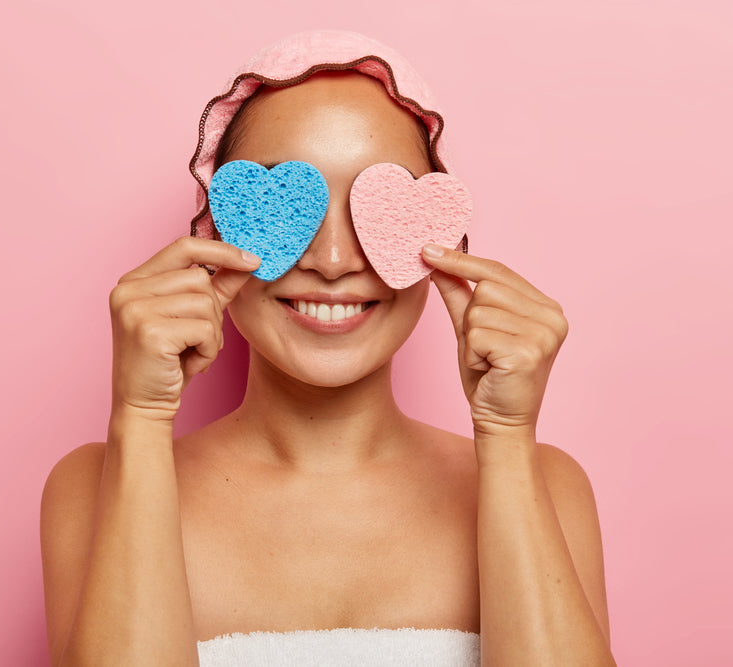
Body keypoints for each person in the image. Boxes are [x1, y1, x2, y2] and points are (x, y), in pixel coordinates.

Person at [40, 30, 615, 666]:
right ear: (213, 229)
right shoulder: (96, 487)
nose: (335, 262)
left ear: (440, 239)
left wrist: (507, 440)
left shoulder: (546, 486)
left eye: (381, 210)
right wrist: (141, 420)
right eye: (291, 209)